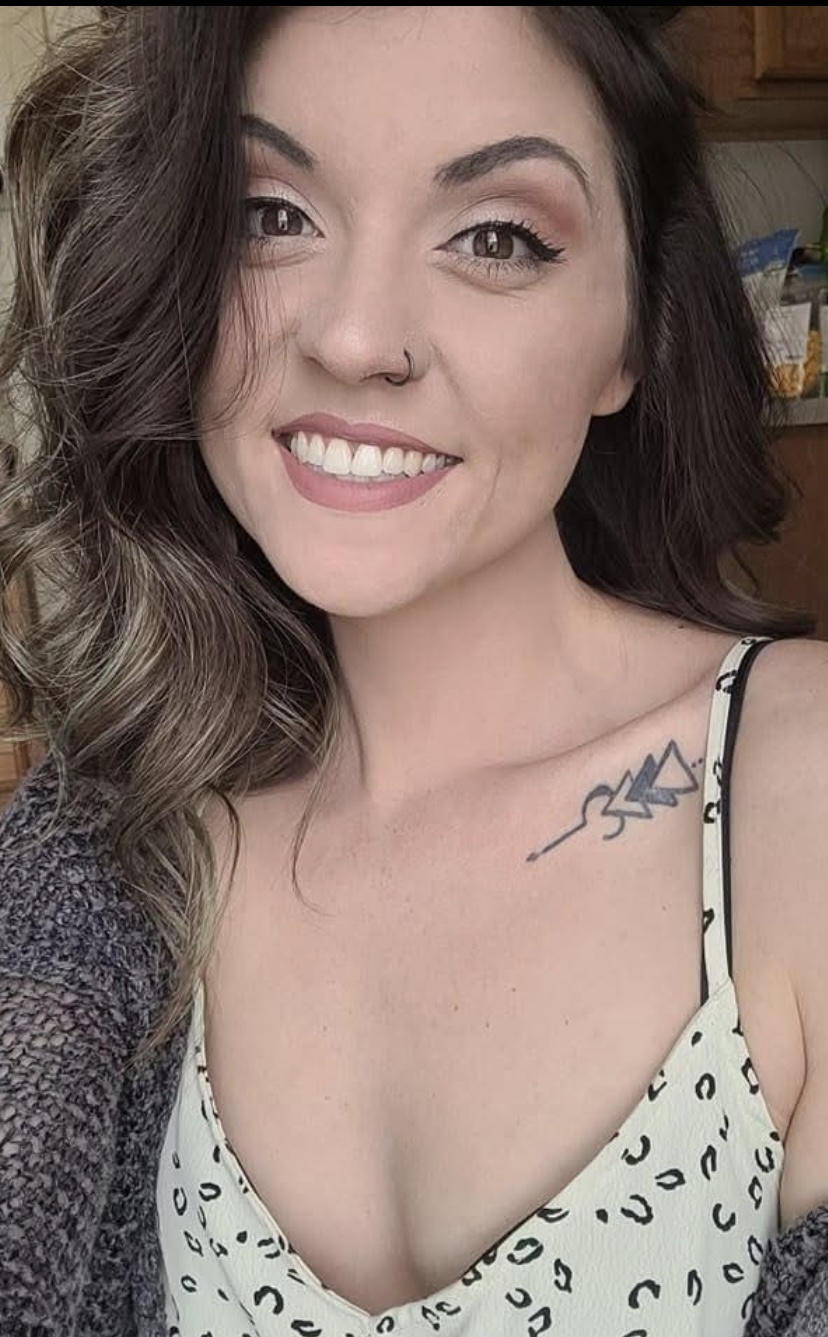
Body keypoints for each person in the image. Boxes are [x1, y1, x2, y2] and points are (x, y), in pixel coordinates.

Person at [1, 5, 827, 1335]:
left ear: (632, 334)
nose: (355, 337)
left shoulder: (799, 797)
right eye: (271, 216)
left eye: (496, 237)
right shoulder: (113, 844)